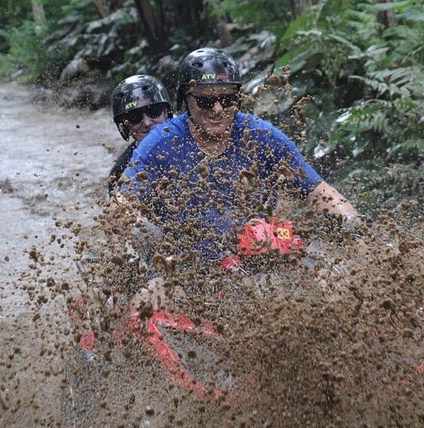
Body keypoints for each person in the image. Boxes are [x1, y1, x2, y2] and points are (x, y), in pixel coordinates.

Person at [116, 47, 360, 309]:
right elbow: (122, 203)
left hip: (261, 247)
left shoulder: (261, 135)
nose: (218, 109)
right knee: (143, 305)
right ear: (186, 100)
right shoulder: (160, 144)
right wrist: (128, 250)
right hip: (192, 265)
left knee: (332, 279)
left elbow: (317, 190)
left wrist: (353, 224)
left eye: (228, 99)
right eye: (206, 101)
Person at [108, 75, 172, 194]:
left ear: (166, 112)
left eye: (154, 111)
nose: (147, 122)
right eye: (134, 117)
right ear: (125, 126)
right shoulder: (121, 171)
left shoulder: (196, 143)